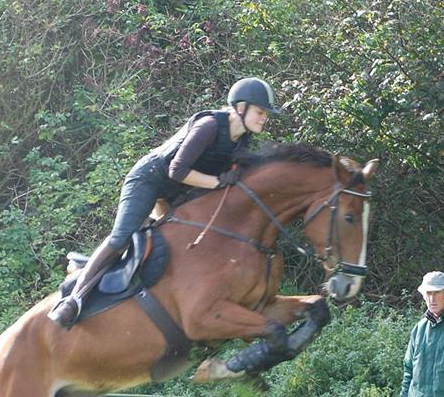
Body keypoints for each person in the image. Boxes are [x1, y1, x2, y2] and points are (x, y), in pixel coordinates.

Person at [48, 77, 282, 328]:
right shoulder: (210, 126)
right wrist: (217, 181)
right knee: (122, 238)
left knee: (184, 244)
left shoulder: (242, 140)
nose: (264, 118)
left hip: (176, 192)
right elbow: (177, 170)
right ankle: (73, 300)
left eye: (265, 114)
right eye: (260, 112)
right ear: (241, 107)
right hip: (148, 180)